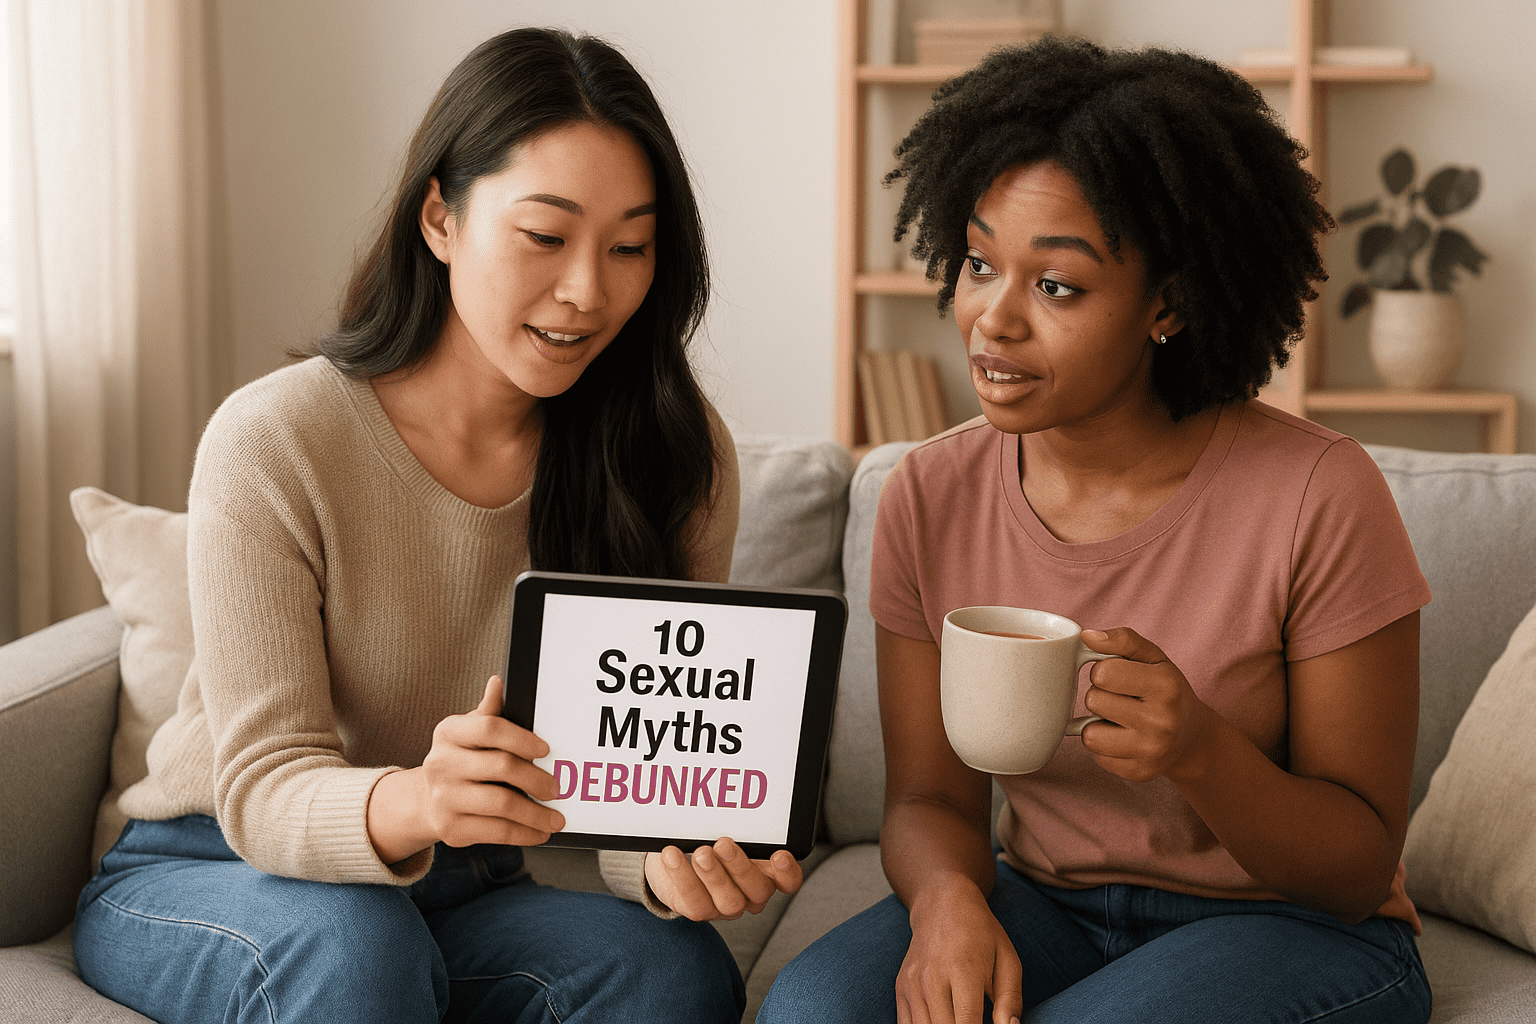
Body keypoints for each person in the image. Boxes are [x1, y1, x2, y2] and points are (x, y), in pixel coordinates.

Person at [73, 27, 800, 1024]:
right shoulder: (278, 437)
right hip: (212, 864)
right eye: (546, 236)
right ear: (440, 218)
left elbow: (632, 777)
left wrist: (671, 864)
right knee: (356, 950)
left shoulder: (673, 453)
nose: (589, 289)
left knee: (671, 970)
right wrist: (418, 798)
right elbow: (263, 786)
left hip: (466, 890)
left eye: (630, 246)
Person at [759, 36, 1432, 1024]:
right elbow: (930, 802)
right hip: (1048, 903)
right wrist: (948, 900)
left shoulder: (1320, 494)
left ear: (1168, 304)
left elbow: (1357, 862)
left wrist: (1200, 748)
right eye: (981, 264)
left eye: (1057, 286)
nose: (993, 319)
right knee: (811, 1010)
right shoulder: (929, 494)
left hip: (1299, 927)